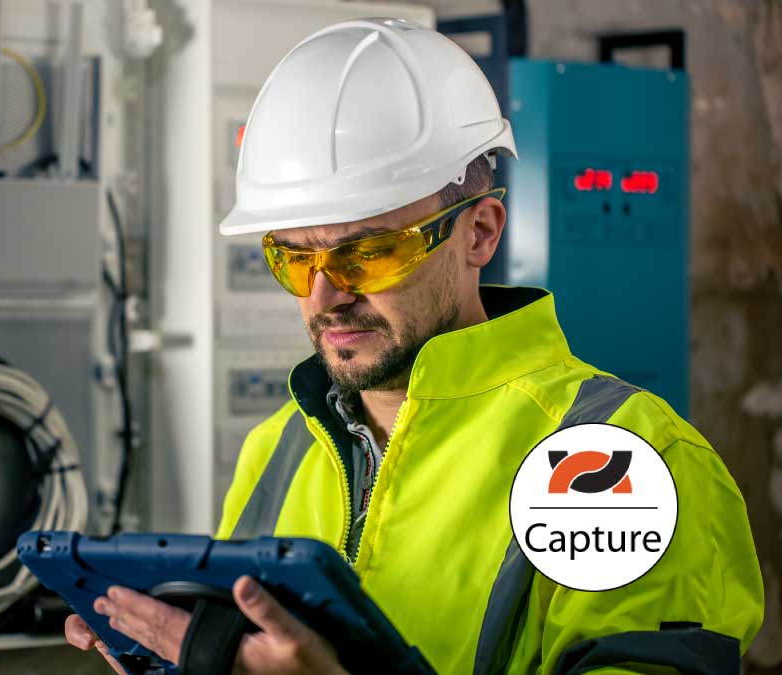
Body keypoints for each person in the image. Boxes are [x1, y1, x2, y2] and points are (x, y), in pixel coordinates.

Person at [66, 18, 764, 674]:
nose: (324, 296)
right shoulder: (279, 448)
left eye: (365, 254)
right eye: (294, 259)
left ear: (480, 233)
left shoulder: (622, 459)